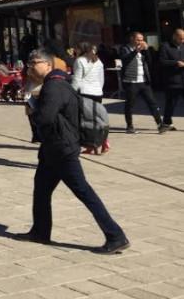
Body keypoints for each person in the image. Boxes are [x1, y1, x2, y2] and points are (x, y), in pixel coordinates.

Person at [13, 49, 129, 254]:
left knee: (84, 192)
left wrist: (33, 110)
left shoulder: (54, 86)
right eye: (29, 63)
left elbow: (45, 118)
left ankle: (116, 235)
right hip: (53, 148)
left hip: (61, 149)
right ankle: (40, 231)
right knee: (41, 189)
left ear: (48, 65)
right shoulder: (57, 83)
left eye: (35, 63)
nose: (30, 67)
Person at [117, 32, 166, 134]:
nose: (141, 42)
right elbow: (125, 60)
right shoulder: (125, 48)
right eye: (138, 40)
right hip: (131, 81)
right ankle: (129, 126)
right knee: (130, 105)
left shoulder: (142, 50)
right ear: (132, 39)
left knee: (152, 102)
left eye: (142, 40)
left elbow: (149, 61)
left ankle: (160, 125)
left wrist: (147, 50)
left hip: (143, 80)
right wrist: (136, 51)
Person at [159, 28, 184, 130]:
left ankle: (166, 122)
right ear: (174, 36)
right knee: (171, 104)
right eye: (181, 39)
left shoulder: (183, 46)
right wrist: (176, 63)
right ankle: (167, 122)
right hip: (173, 81)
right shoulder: (165, 46)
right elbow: (162, 61)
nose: (182, 41)